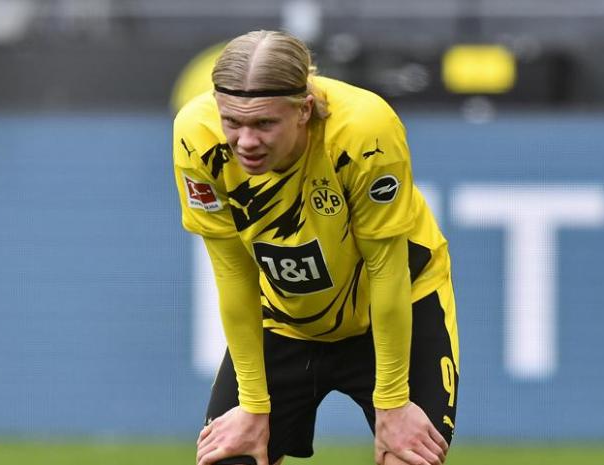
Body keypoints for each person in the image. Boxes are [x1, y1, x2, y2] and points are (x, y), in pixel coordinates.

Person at [172, 30, 460, 465]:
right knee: (232, 457)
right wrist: (252, 404)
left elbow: (386, 268)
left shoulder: (365, 131)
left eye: (264, 124)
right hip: (283, 317)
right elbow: (233, 271)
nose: (245, 141)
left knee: (409, 456)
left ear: (304, 110)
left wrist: (393, 402)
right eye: (232, 121)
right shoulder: (196, 136)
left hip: (397, 304)